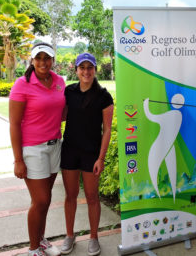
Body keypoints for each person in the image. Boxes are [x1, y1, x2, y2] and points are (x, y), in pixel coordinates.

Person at [10, 42, 66, 256]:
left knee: (46, 199)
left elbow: (63, 112)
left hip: (54, 146)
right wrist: (18, 159)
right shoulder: (22, 84)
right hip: (33, 149)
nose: (43, 62)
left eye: (47, 57)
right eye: (39, 58)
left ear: (53, 60)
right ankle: (33, 249)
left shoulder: (59, 81)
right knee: (40, 200)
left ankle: (41, 240)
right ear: (32, 60)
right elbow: (14, 124)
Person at [59, 53, 114, 256]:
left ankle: (93, 237)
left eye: (89, 67)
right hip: (70, 151)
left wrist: (101, 158)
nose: (86, 71)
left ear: (95, 70)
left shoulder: (103, 96)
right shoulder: (69, 92)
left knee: (92, 197)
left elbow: (107, 129)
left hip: (91, 154)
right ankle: (69, 235)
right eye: (81, 68)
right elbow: (61, 116)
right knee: (70, 196)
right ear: (76, 70)